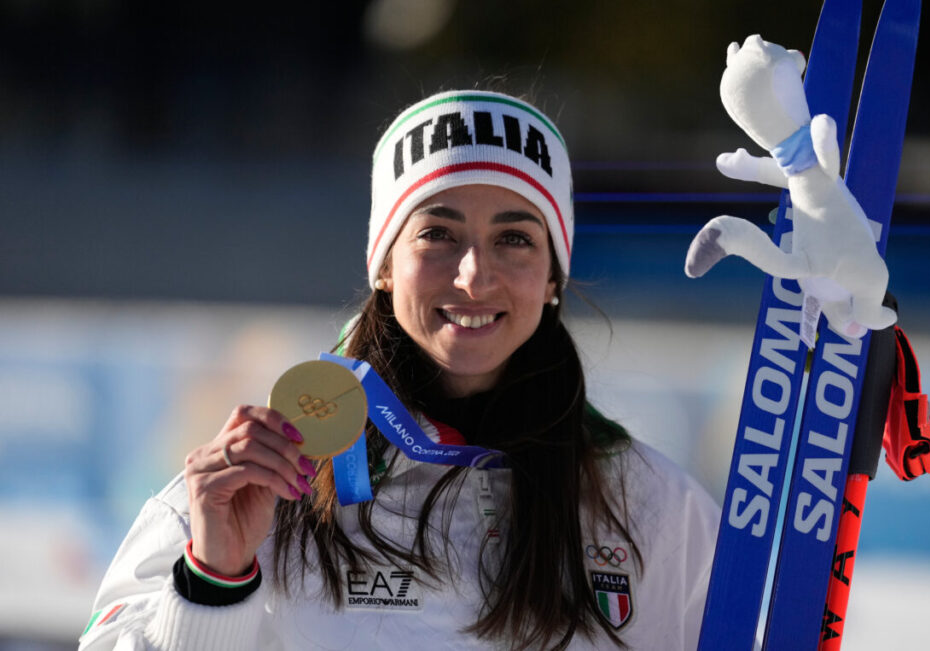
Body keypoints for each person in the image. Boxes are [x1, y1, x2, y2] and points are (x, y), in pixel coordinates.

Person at [80, 90, 720, 650]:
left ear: (552, 276)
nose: (474, 275)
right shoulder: (262, 483)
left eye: (515, 238)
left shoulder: (652, 507)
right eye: (438, 233)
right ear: (385, 264)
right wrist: (214, 579)